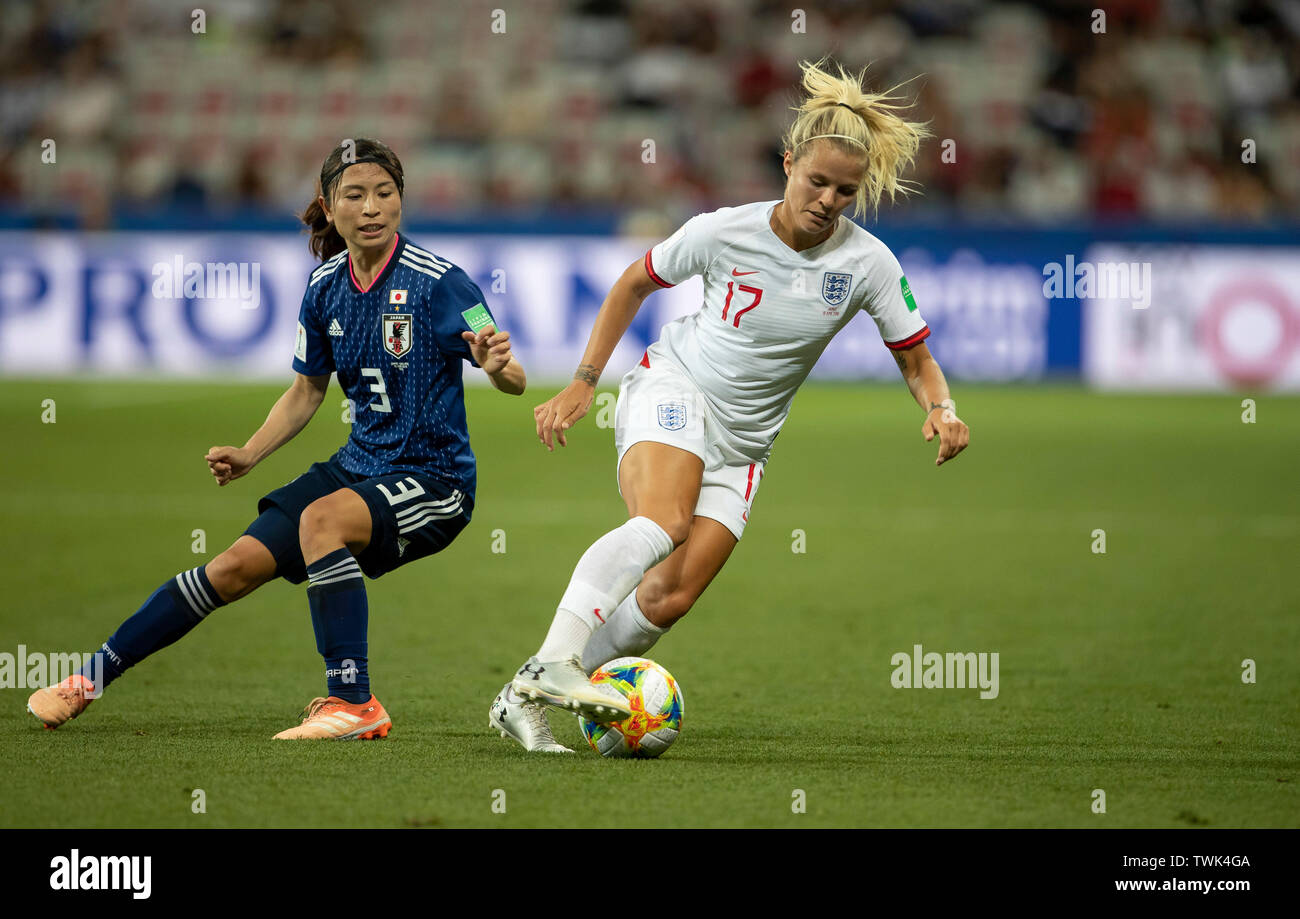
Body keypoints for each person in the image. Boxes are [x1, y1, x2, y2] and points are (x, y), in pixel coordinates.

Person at [489, 61, 970, 753]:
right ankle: (557, 661)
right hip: (675, 388)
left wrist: (942, 408)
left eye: (845, 190)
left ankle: (521, 696)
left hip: (746, 444)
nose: (829, 199)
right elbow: (633, 282)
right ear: (788, 163)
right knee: (665, 521)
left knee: (665, 598)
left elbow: (916, 358)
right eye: (817, 181)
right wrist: (584, 380)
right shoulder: (723, 231)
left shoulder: (868, 265)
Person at [28, 138, 526, 740]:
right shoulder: (323, 288)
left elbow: (511, 376)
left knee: (321, 522)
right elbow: (305, 392)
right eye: (356, 195)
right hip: (359, 465)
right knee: (232, 567)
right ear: (329, 205)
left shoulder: (442, 283)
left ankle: (354, 703)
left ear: (402, 200)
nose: (372, 208)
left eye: (385, 194)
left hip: (435, 477)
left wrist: (496, 364)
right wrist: (249, 453)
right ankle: (87, 681)